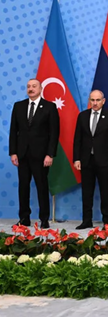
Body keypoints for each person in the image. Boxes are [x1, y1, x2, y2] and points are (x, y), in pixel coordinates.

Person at [9, 78, 60, 228]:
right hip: (22, 154)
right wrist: (13, 152)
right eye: (28, 86)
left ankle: (44, 219)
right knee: (23, 187)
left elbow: (54, 133)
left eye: (34, 86)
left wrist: (50, 154)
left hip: (41, 155)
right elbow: (13, 131)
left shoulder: (50, 107)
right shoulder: (18, 106)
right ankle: (24, 218)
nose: (31, 89)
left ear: (40, 89)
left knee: (42, 187)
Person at [73, 90, 108, 229]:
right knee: (87, 192)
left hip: (105, 161)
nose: (95, 103)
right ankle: (87, 220)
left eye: (98, 100)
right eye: (92, 100)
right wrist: (77, 159)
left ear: (103, 101)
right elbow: (77, 139)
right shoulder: (82, 116)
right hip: (86, 160)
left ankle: (107, 220)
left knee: (106, 191)